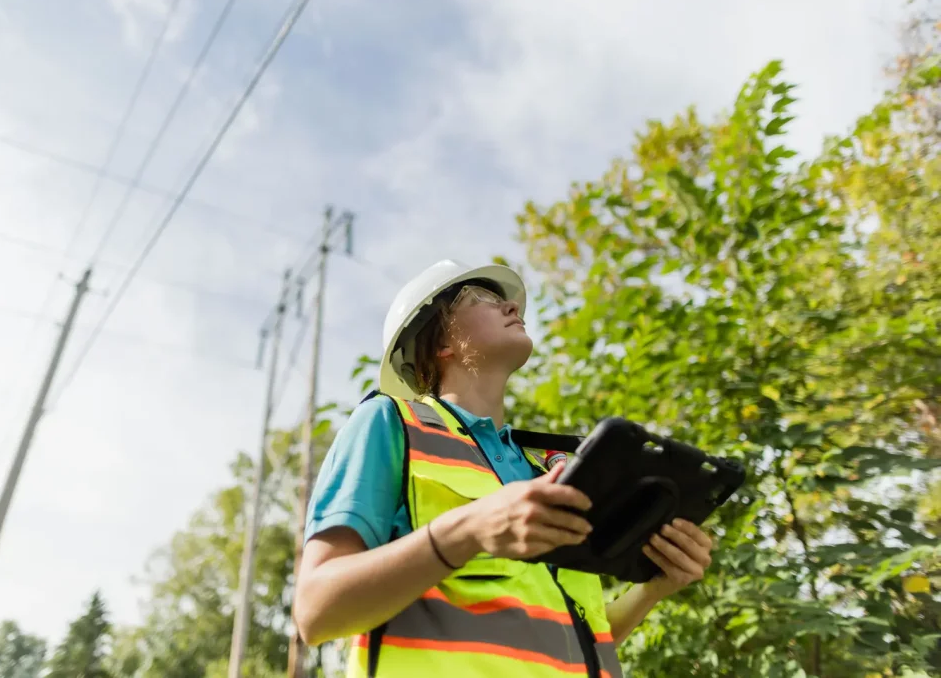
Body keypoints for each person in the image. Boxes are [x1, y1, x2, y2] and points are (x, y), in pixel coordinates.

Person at [293, 260, 715, 678]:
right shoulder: (390, 425)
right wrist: (469, 530)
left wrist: (654, 587)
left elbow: (572, 638)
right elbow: (315, 612)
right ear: (442, 343)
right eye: (483, 299)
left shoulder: (547, 468)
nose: (514, 308)